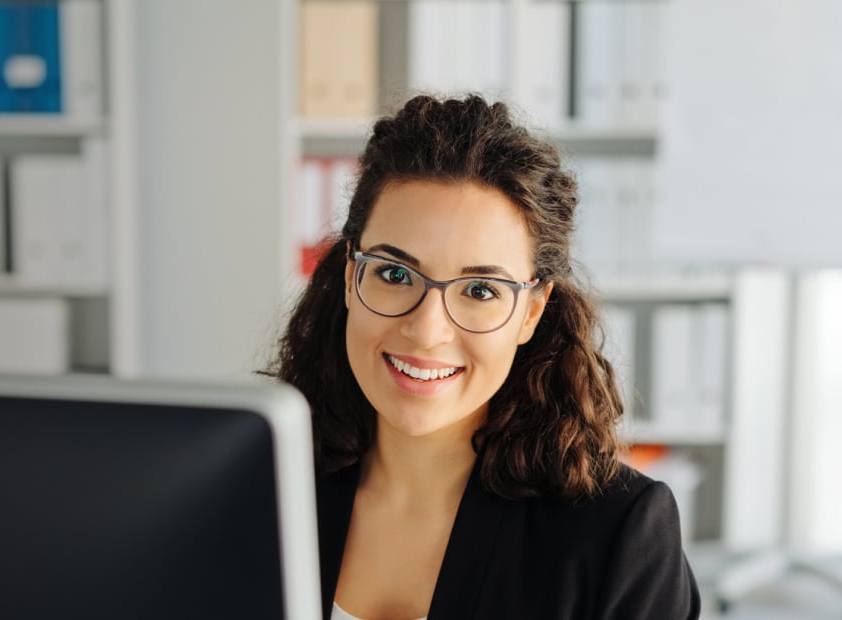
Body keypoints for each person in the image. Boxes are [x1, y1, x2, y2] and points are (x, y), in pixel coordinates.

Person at [266, 94, 701, 620]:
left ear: (531, 312)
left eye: (479, 290)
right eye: (395, 274)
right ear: (349, 278)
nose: (426, 332)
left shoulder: (617, 534)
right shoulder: (260, 497)